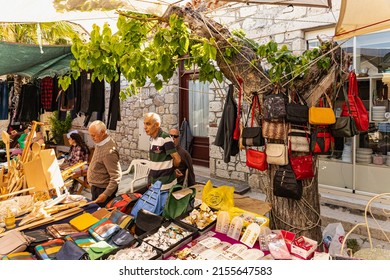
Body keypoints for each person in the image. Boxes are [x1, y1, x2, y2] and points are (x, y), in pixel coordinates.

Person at [87, 120, 122, 207]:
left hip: (102, 189)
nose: (92, 138)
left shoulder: (109, 151)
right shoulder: (100, 142)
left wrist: (106, 194)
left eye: (93, 135)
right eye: (90, 135)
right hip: (97, 187)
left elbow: (116, 176)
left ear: (102, 132)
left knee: (102, 216)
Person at [143, 112, 181, 190]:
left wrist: (171, 170)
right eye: (144, 124)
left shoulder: (165, 138)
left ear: (157, 125)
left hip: (165, 186)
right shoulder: (152, 139)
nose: (145, 127)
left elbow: (177, 159)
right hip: (155, 185)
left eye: (148, 124)